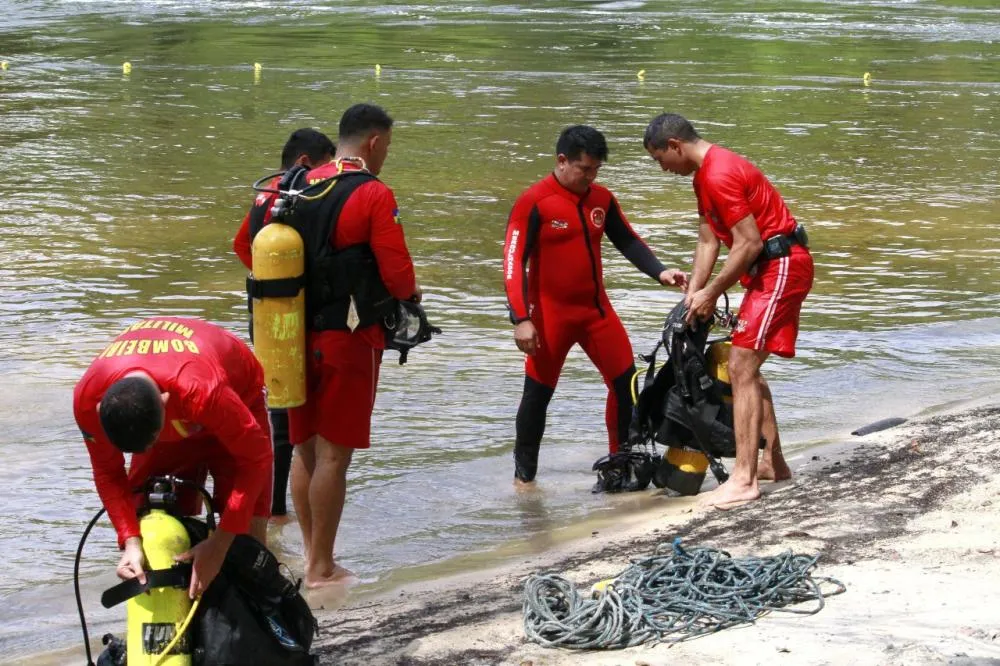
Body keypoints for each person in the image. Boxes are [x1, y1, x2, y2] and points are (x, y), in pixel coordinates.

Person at [643, 113, 814, 509]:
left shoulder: (719, 173)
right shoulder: (703, 177)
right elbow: (708, 240)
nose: (662, 169)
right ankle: (771, 463)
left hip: (781, 266)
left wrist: (713, 292)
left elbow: (749, 243)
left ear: (674, 146)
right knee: (745, 363)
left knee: (740, 364)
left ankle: (744, 479)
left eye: (659, 159)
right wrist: (694, 295)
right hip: (769, 270)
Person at [503, 124, 687, 487]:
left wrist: (660, 271)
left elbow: (628, 241)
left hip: (596, 313)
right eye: (584, 169)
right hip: (550, 317)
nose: (590, 177)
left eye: (596, 170)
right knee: (537, 395)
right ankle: (524, 480)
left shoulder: (601, 199)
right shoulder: (534, 202)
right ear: (562, 160)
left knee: (626, 384)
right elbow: (512, 264)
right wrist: (521, 318)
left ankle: (621, 464)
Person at [287, 103, 420, 587]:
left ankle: (309, 554)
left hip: (289, 337)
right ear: (374, 142)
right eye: (387, 147)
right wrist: (411, 296)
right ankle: (322, 567)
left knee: (303, 447)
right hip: (348, 339)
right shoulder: (372, 192)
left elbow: (247, 245)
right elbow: (398, 275)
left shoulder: (294, 185)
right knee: (333, 456)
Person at [74, 317, 273, 599]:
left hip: (235, 394)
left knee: (246, 542)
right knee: (151, 521)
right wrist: (130, 541)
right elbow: (108, 473)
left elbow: (257, 459)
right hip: (173, 407)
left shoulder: (202, 391)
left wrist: (220, 544)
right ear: (99, 411)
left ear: (165, 403)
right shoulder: (87, 399)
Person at [233, 127, 334, 523]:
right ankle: (277, 508)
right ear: (305, 162)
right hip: (294, 317)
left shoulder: (265, 195)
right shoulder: (302, 197)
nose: (326, 176)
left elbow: (241, 244)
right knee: (289, 416)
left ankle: (273, 506)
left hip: (264, 313)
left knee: (273, 405)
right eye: (324, 167)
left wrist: (268, 282)